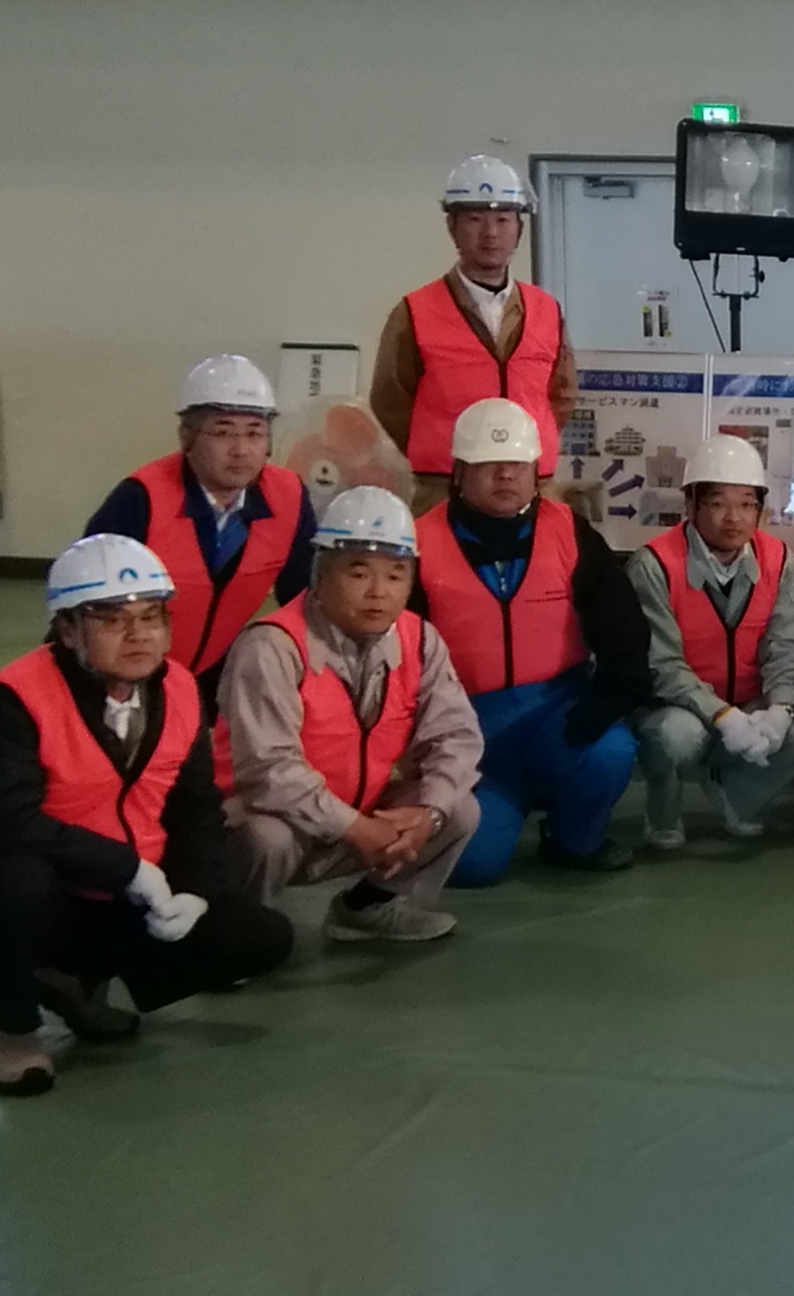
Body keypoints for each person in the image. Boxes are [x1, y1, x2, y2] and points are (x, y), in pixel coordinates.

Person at [0, 536, 292, 1097]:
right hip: (9, 894)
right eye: (112, 619)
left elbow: (195, 805)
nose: (139, 634)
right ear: (67, 630)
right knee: (19, 881)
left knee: (261, 937)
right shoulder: (13, 698)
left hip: (117, 897)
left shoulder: (179, 688)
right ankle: (11, 1029)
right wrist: (126, 868)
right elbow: (6, 824)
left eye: (152, 616)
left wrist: (194, 889)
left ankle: (74, 982)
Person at [220, 488, 485, 941]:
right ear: (320, 574)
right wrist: (353, 827)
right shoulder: (272, 646)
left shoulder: (419, 639)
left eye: (396, 574)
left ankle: (366, 909)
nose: (379, 592)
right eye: (358, 573)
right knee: (267, 837)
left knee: (457, 807)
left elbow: (456, 736)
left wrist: (429, 814)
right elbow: (269, 770)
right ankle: (231, 935)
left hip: (354, 819)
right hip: (267, 818)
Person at [409, 399, 647, 882]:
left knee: (611, 751)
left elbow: (621, 624)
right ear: (459, 472)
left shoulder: (570, 532)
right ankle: (497, 812)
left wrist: (612, 697)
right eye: (489, 464)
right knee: (474, 867)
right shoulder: (417, 542)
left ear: (535, 470)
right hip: (464, 729)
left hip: (557, 715)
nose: (505, 475)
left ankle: (573, 839)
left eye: (517, 464)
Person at [627, 435, 794, 848]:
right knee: (676, 737)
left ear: (760, 510)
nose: (734, 518)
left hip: (749, 701)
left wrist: (780, 709)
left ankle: (735, 797)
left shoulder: (778, 559)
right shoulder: (654, 564)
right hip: (677, 707)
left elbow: (789, 646)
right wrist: (721, 716)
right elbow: (660, 663)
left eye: (747, 504)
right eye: (718, 503)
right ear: (690, 505)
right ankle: (663, 814)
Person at [82, 355, 315, 704]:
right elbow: (88, 608)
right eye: (223, 432)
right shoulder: (141, 498)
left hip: (210, 675)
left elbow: (303, 598)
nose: (241, 450)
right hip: (122, 678)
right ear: (187, 437)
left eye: (255, 433)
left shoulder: (289, 497)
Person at [371, 155, 576, 512]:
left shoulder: (546, 310)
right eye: (475, 219)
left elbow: (562, 394)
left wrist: (521, 447)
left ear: (519, 228)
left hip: (533, 489)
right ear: (452, 226)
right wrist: (441, 447)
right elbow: (390, 400)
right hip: (444, 492)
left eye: (503, 219)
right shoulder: (415, 312)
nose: (490, 233)